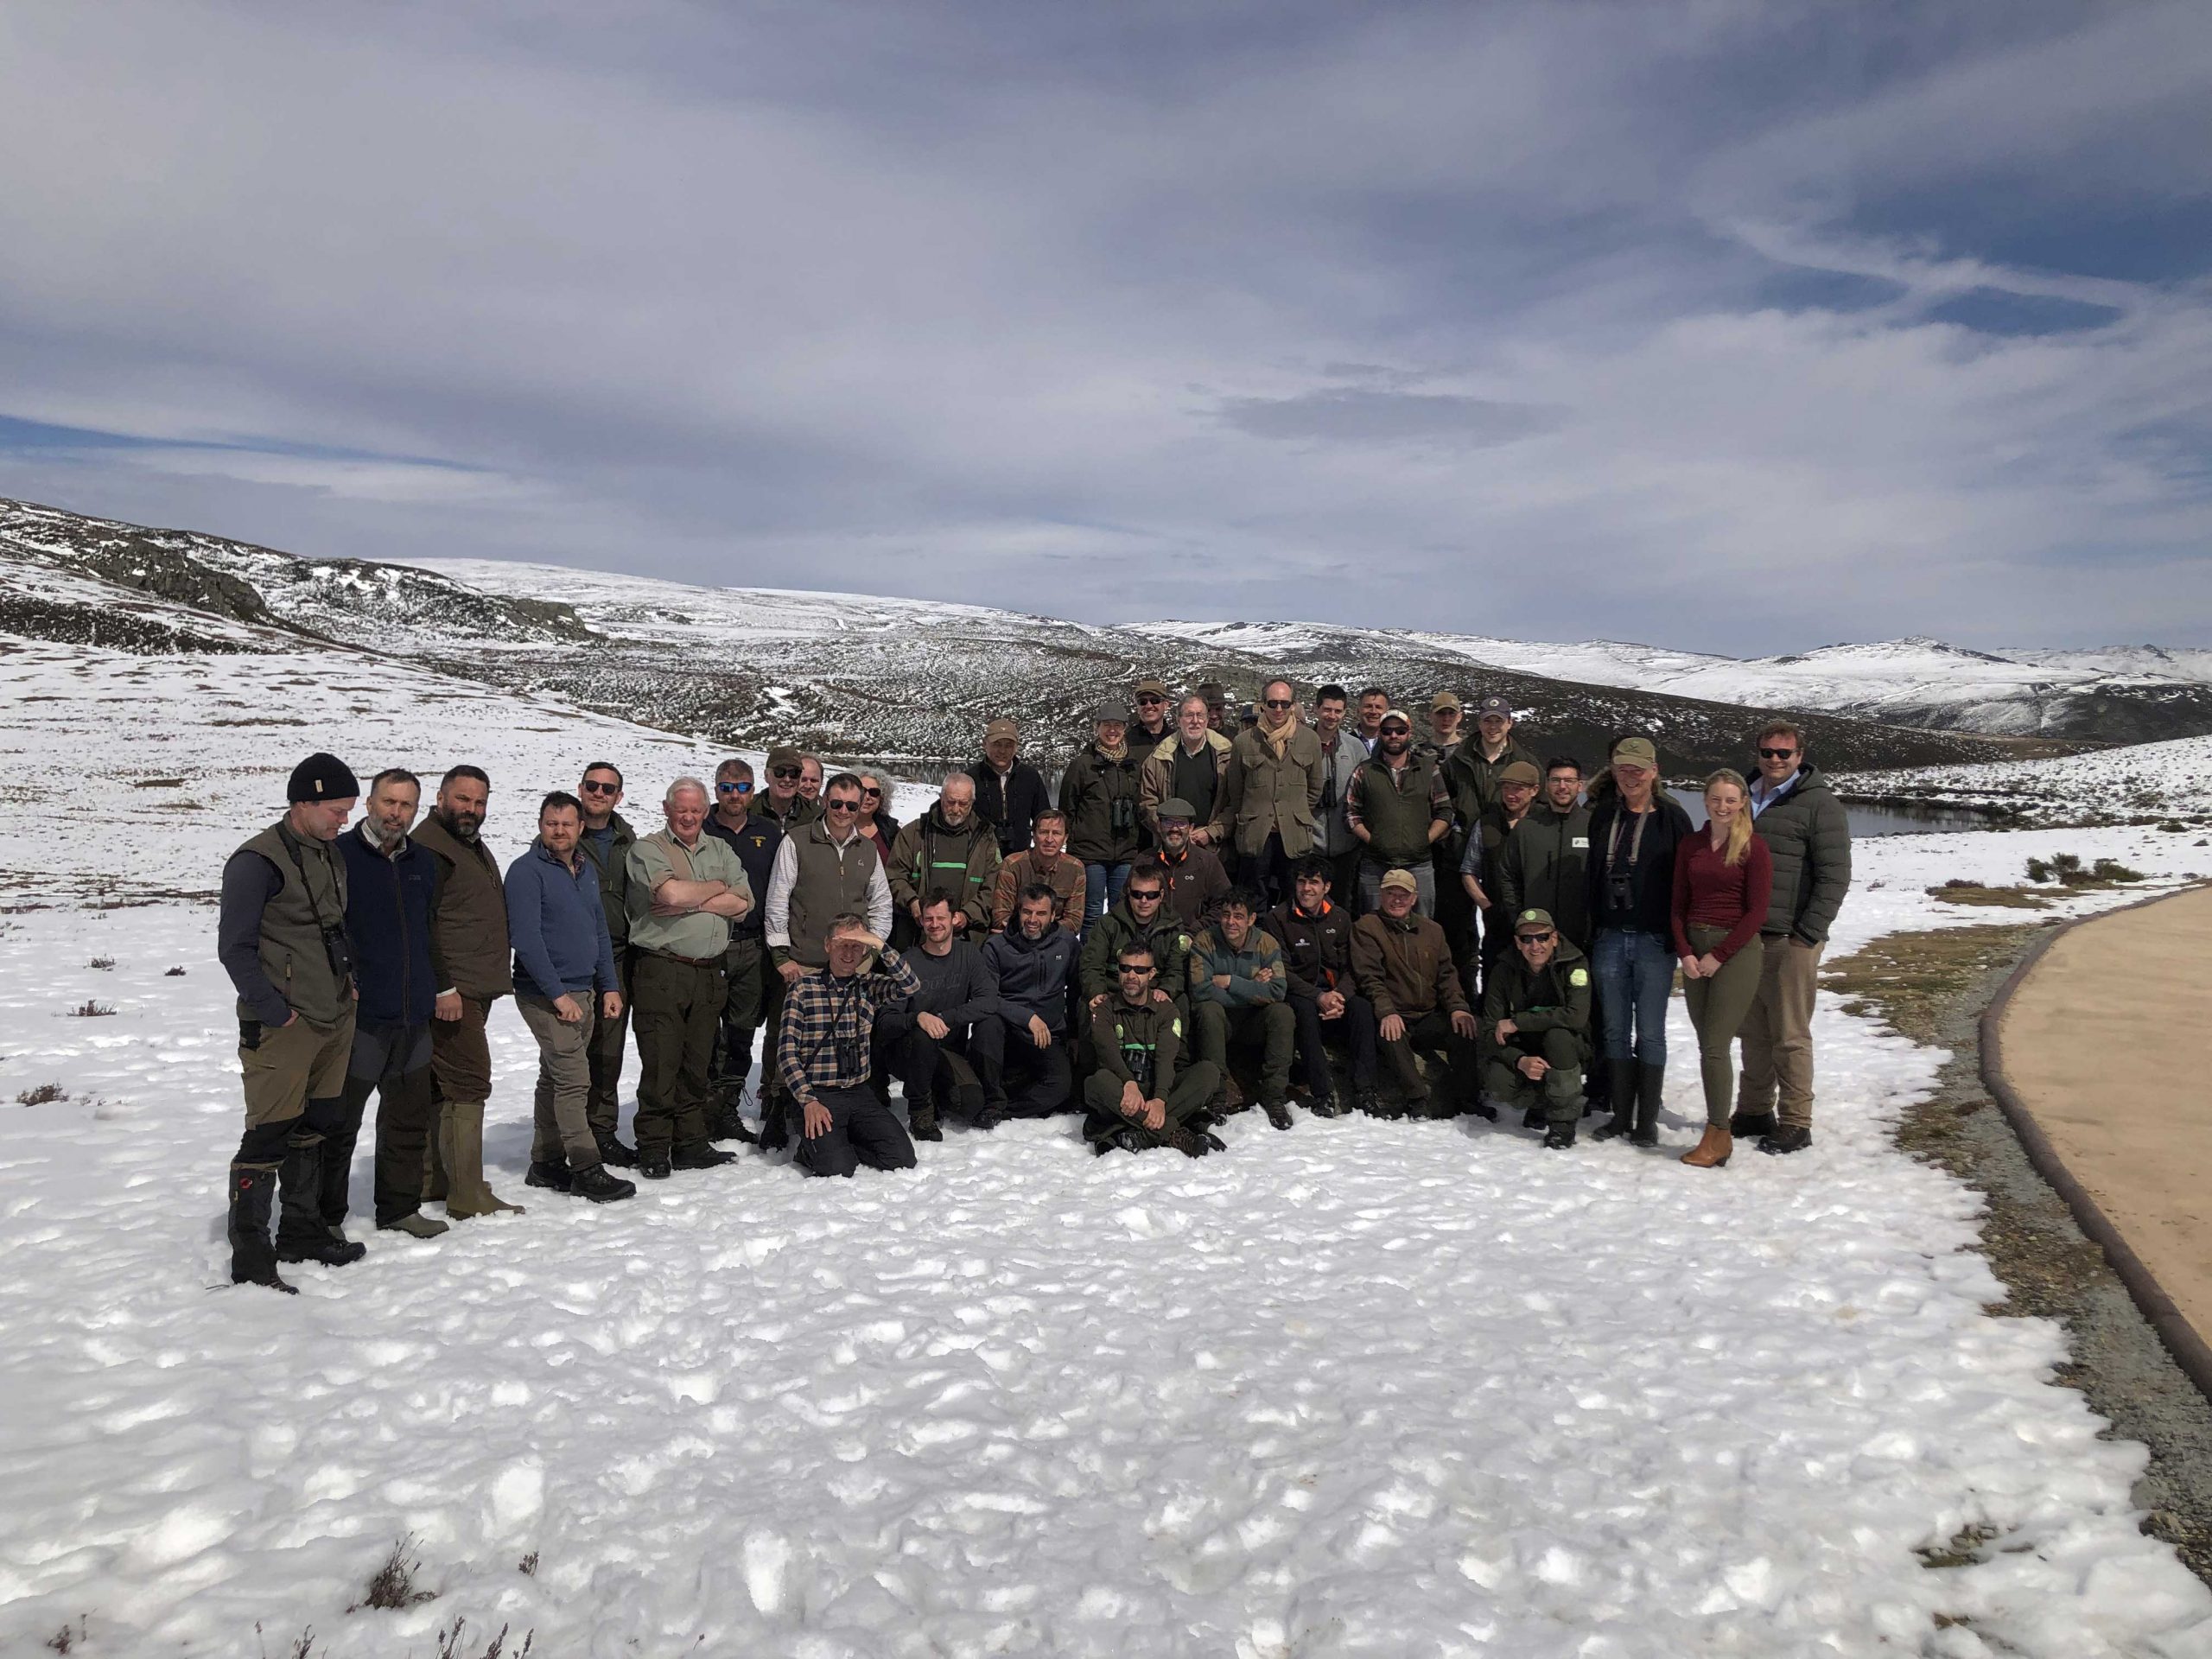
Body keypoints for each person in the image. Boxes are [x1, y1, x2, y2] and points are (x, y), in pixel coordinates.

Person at [217, 753, 364, 1291]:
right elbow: (234, 949)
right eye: (336, 810)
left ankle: (301, 1233)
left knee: (315, 1125)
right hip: (283, 1025)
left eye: (347, 811)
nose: (344, 821)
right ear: (303, 802)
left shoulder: (328, 853)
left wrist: (349, 981)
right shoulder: (256, 861)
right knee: (268, 1134)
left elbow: (333, 925)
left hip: (333, 1015)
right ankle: (252, 1259)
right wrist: (274, 1010)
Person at [334, 767, 446, 1243]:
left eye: (406, 805)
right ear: (369, 803)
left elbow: (429, 931)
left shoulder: (423, 861)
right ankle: (325, 1218)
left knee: (406, 1120)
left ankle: (400, 1208)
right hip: (362, 1018)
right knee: (340, 1124)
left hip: (413, 1015)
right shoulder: (339, 857)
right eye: (389, 802)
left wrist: (437, 988)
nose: (396, 813)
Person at [508, 792, 636, 1202]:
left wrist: (609, 985)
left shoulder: (584, 870)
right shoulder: (526, 871)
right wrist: (558, 994)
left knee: (554, 1078)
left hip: (584, 990)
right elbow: (526, 939)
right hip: (546, 995)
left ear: (580, 827)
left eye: (567, 824)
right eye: (552, 823)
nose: (559, 831)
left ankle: (545, 1162)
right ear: (540, 825)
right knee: (574, 1080)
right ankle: (585, 1167)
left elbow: (599, 930)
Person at [1733, 721, 1852, 1157]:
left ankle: (1796, 1121)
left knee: (1789, 1034)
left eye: (1784, 753)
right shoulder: (1743, 797)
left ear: (1800, 756)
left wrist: (1808, 933)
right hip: (1747, 937)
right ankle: (1753, 1110)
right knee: (1753, 1031)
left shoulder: (1820, 804)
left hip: (1791, 938)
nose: (1775, 760)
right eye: (1768, 752)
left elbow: (1835, 875)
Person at [625, 778, 752, 1179]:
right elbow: (670, 895)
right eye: (681, 809)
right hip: (663, 969)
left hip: (709, 971)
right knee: (661, 1061)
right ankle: (654, 1146)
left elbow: (744, 903)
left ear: (705, 811)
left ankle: (690, 1142)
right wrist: (717, 890)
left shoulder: (720, 849)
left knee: (698, 1062)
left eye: (696, 810)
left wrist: (693, 899)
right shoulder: (648, 849)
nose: (689, 817)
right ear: (667, 809)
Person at [760, 772, 896, 1145]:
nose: (843, 811)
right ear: (825, 801)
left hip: (851, 961)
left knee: (844, 1034)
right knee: (787, 1036)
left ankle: (838, 1103)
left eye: (851, 805)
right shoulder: (798, 841)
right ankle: (777, 1105)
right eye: (836, 803)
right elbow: (778, 898)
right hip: (805, 959)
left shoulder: (866, 849)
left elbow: (881, 903)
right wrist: (781, 954)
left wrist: (871, 949)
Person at [413, 764, 524, 1219]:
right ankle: (466, 1192)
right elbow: (422, 925)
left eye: (479, 802)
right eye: (462, 799)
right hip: (453, 991)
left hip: (472, 986)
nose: (471, 809)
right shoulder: (431, 848)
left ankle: (437, 1178)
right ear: (441, 797)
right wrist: (445, 987)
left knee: (443, 1084)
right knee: (469, 1081)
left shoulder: (462, 843)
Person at [1585, 736, 1693, 1147]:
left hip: (1654, 940)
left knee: (1650, 1031)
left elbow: (1686, 881)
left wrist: (1679, 935)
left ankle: (1646, 1121)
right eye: (1622, 769)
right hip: (1609, 938)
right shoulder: (1602, 815)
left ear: (1654, 771)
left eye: (1637, 769)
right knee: (1614, 1030)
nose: (1630, 777)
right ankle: (1619, 1115)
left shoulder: (1672, 818)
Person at [1673, 770, 1775, 1170]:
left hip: (1735, 952)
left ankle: (1718, 1134)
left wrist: (1720, 954)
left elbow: (1757, 912)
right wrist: (1685, 952)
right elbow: (1677, 905)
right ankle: (1719, 1134)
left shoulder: (1753, 847)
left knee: (1715, 1045)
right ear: (1705, 800)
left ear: (1743, 803)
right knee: (1707, 1045)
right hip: (1695, 950)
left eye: (1731, 800)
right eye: (1716, 798)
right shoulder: (1691, 845)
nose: (1723, 806)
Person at [778, 914, 924, 1178]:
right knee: (837, 1169)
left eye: (856, 946)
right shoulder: (803, 989)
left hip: (858, 1092)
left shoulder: (869, 986)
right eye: (842, 944)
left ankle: (840, 1142)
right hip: (818, 1094)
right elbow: (787, 1053)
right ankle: (813, 1151)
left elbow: (911, 985)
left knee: (902, 1158)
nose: (848, 953)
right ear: (827, 945)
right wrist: (808, 1101)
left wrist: (880, 944)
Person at [1350, 868, 1483, 1119]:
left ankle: (1468, 1098)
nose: (1397, 900)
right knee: (1391, 1034)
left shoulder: (1433, 930)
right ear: (1381, 895)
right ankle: (1417, 1099)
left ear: (1414, 898)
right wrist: (1386, 1011)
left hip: (1427, 1013)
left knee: (1464, 1028)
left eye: (1403, 895)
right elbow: (1369, 977)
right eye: (1391, 893)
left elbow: (1447, 975)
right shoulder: (1367, 927)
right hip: (1394, 1012)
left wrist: (1457, 1007)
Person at [871, 889, 1003, 1137]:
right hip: (910, 1052)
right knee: (923, 1034)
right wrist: (918, 1018)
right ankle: (920, 1113)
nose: (935, 925)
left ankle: (937, 1093)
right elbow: (886, 1021)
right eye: (928, 919)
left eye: (941, 918)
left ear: (954, 918)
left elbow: (988, 1001)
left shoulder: (968, 954)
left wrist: (944, 1018)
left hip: (947, 1050)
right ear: (921, 921)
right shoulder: (907, 962)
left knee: (970, 1104)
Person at [701, 758, 785, 1140]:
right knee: (705, 1032)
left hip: (752, 947)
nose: (734, 795)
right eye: (727, 788)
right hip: (709, 945)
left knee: (741, 1032)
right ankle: (702, 1107)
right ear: (716, 789)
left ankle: (727, 1107)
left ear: (753, 791)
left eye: (742, 788)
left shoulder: (768, 831)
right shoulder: (701, 826)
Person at [1084, 942, 1222, 1159]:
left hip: (1155, 1087)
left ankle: (1142, 1133)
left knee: (1208, 1072)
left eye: (1140, 970)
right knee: (1098, 1082)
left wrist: (1159, 1099)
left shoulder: (1167, 1010)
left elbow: (1166, 1060)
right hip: (1121, 1091)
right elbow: (1108, 1055)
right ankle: (1173, 1133)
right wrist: (1128, 1082)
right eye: (1125, 968)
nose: (1131, 975)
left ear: (1152, 974)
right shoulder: (1104, 1009)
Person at [1268, 855, 1376, 1116]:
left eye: (1314, 883)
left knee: (1362, 1009)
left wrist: (1340, 995)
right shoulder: (1278, 918)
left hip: (1336, 992)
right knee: (1304, 1011)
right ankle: (1323, 1094)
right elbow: (1281, 970)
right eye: (1301, 882)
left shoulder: (1340, 918)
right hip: (1301, 991)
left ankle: (1366, 1091)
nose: (1306, 889)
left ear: (1327, 887)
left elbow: (1353, 966)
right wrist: (1318, 996)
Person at [1480, 908, 1592, 1150]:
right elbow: (1489, 1030)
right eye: (1527, 939)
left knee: (1558, 1037)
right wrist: (1519, 1060)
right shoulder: (1503, 970)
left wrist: (1518, 1022)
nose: (1535, 946)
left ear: (1554, 938)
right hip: (1524, 1047)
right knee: (1498, 1082)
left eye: (1542, 937)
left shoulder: (1574, 964)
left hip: (1568, 1048)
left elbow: (1576, 1016)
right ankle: (1542, 1103)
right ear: (1517, 942)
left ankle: (1562, 1123)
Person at [575, 760, 640, 1167]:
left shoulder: (627, 840)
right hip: (573, 958)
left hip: (617, 956)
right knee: (570, 1051)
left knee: (608, 1050)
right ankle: (565, 1134)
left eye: (608, 788)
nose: (599, 793)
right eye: (593, 785)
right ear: (581, 789)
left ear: (619, 796)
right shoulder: (562, 834)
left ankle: (601, 1131)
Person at [1188, 887, 1296, 1128]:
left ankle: (1274, 1095)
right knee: (1208, 1010)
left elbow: (1278, 991)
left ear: (1251, 919)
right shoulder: (1205, 941)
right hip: (1219, 1022)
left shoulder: (1266, 944)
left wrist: (1231, 982)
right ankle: (1216, 1094)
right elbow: (1201, 991)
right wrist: (1254, 988)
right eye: (1226, 915)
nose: (1231, 922)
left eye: (1238, 917)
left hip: (1253, 1021)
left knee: (1282, 1013)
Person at [1219, 677, 1323, 909]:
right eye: (1273, 703)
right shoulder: (1244, 742)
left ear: (1293, 706)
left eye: (1284, 704)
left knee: (1294, 898)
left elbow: (1315, 787)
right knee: (1253, 898)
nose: (1278, 709)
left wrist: (1295, 811)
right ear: (1262, 705)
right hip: (1257, 833)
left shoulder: (1310, 740)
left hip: (1293, 833)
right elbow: (1236, 790)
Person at [977, 886, 1079, 1116]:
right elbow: (986, 996)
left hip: (1047, 1034)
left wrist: (1074, 1034)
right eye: (1027, 912)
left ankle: (1006, 1109)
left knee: (1060, 1086)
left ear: (1053, 916)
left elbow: (1075, 991)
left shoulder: (1067, 943)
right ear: (1018, 911)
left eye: (1041, 913)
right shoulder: (996, 946)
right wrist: (1027, 1018)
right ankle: (991, 1099)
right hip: (1006, 1029)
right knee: (987, 1023)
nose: (1032, 920)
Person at [1346, 709, 1450, 916]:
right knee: (1372, 923)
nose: (1394, 736)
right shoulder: (1364, 770)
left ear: (1409, 733)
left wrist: (1425, 839)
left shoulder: (1428, 769)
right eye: (1387, 731)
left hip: (1419, 863)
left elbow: (1444, 810)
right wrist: (1374, 840)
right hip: (1376, 864)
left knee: (1422, 924)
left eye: (1400, 731)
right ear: (1380, 734)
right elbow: (1351, 813)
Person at [887, 772, 1001, 943]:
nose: (956, 809)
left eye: (963, 804)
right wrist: (912, 902)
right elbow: (895, 876)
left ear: (972, 802)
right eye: (951, 802)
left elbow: (993, 885)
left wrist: (968, 915)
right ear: (941, 798)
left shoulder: (985, 838)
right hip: (918, 935)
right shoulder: (914, 833)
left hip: (967, 937)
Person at [1495, 758, 1592, 952]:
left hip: (1583, 937)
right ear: (1546, 785)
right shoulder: (1526, 828)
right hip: (1535, 938)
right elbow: (1507, 875)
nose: (1562, 787)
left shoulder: (1594, 826)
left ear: (1580, 786)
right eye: (1556, 780)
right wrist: (1519, 917)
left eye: (1569, 781)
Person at [1459, 759, 1541, 990]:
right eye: (1506, 788)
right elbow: (1469, 870)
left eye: (1518, 788)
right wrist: (1487, 906)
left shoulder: (1544, 822)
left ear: (1534, 790)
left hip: (1537, 922)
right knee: (1495, 982)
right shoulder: (1487, 824)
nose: (1511, 795)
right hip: (1498, 920)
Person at [1059, 704, 1144, 924]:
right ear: (1097, 727)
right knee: (1092, 911)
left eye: (1117, 725)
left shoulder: (1133, 765)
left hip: (1124, 852)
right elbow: (1067, 808)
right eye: (1107, 725)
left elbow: (1140, 806)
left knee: (1122, 912)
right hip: (1090, 853)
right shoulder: (1082, 765)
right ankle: (1090, 948)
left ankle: (1116, 948)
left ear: (1124, 729)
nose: (1112, 730)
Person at [1078, 862, 1190, 1024]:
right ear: (1129, 893)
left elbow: (1177, 969)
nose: (1144, 901)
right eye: (1137, 894)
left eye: (1151, 895)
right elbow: (1091, 965)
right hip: (1116, 989)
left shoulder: (1173, 924)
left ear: (1161, 895)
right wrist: (1097, 993)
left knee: (1181, 1002)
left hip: (1155, 990)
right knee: (1086, 1004)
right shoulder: (1108, 923)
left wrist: (1166, 990)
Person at [1139, 695, 1230, 851]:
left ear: (1207, 719)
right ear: (1178, 720)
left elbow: (1234, 803)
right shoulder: (1158, 758)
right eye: (1189, 715)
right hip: (1171, 848)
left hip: (1214, 848)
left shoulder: (1227, 755)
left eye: (1200, 715)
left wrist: (1211, 832)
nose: (1195, 721)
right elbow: (1147, 803)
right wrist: (1173, 831)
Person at [1311, 684, 1367, 909]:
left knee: (1342, 905)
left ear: (1344, 713)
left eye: (1337, 711)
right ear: (1316, 709)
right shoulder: (1300, 743)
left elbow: (1364, 792)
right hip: (1310, 845)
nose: (1332, 716)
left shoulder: (1355, 747)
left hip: (1345, 846)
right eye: (1327, 709)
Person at [990, 807, 1084, 931]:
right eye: (1044, 832)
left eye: (1056, 833)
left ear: (1065, 838)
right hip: (1016, 936)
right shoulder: (1013, 865)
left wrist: (1040, 930)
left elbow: (1074, 922)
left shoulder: (1075, 868)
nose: (1049, 839)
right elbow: (1000, 917)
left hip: (1054, 938)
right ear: (1034, 835)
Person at [969, 717, 1050, 856]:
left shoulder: (1030, 776)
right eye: (997, 744)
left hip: (1020, 855)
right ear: (985, 744)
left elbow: (1044, 817)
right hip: (980, 855)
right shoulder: (971, 778)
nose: (1002, 751)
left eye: (1008, 745)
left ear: (1016, 747)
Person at [1152, 798, 1230, 929]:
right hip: (1153, 936)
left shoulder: (1208, 862)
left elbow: (1224, 904)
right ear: (1159, 826)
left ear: (1190, 828)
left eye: (1181, 823)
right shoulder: (1145, 861)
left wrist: (1194, 931)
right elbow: (1128, 901)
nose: (1175, 829)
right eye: (1168, 823)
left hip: (1195, 936)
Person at [756, 746, 820, 830]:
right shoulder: (748, 810)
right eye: (780, 772)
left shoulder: (815, 816)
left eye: (794, 773)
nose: (787, 779)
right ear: (767, 776)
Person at [857, 772, 899, 865]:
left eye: (874, 792)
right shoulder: (838, 825)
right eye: (862, 790)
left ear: (882, 798)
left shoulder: (891, 830)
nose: (867, 797)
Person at [1417, 693, 1465, 769]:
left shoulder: (1470, 751)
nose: (1446, 719)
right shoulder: (1416, 752)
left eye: (1452, 713)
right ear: (1430, 716)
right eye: (1441, 713)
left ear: (1459, 717)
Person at [1129, 677, 1175, 753]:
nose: (1149, 706)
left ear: (1166, 705)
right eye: (1142, 702)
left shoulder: (1177, 739)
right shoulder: (1126, 740)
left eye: (1155, 700)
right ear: (1137, 707)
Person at [1353, 686, 1389, 753]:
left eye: (1378, 707)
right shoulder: (1343, 742)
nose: (1373, 711)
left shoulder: (1394, 744)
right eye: (1368, 706)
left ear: (1387, 713)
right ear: (1358, 711)